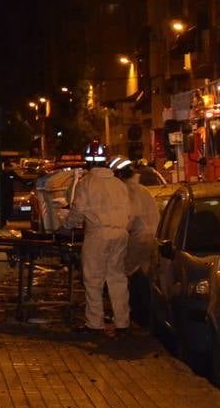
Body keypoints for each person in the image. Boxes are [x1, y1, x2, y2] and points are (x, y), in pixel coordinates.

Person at [64, 141, 132, 335]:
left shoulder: (87, 183)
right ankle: (122, 323)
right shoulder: (119, 184)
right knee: (117, 278)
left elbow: (78, 210)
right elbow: (129, 211)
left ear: (87, 161)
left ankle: (95, 324)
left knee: (93, 280)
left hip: (98, 234)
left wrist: (66, 226)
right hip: (120, 233)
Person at [113, 157, 160, 326]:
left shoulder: (128, 191)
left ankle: (133, 316)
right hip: (153, 237)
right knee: (143, 275)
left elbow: (129, 218)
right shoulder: (142, 190)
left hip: (138, 239)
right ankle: (144, 316)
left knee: (124, 274)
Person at [0, 159, 19, 226]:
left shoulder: (12, 173)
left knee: (9, 209)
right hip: (2, 195)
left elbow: (19, 179)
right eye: (9, 166)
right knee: (3, 209)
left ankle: (6, 219)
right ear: (6, 167)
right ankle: (2, 221)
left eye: (10, 166)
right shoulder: (1, 173)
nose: (10, 168)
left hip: (9, 194)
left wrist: (29, 183)